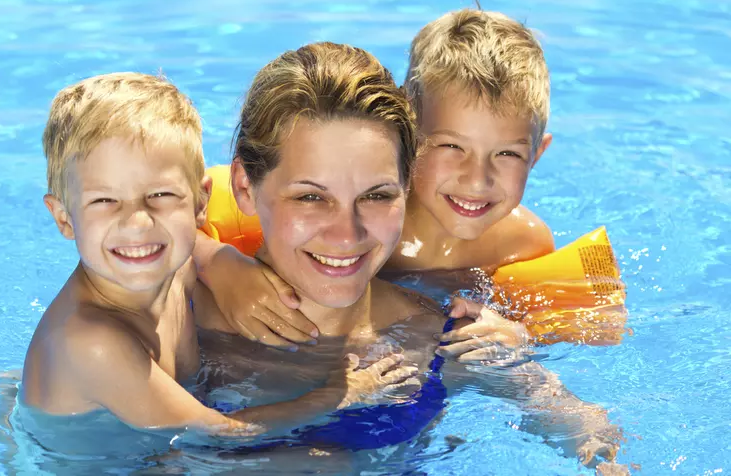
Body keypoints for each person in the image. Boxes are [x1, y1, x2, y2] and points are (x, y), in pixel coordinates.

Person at [190, 42, 626, 472]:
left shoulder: (441, 341)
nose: (347, 234)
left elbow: (581, 425)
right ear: (245, 188)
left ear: (407, 185)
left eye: (377, 195)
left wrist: (600, 452)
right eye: (310, 197)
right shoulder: (176, 322)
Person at [192, 7, 620, 350]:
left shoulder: (521, 245)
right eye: (452, 147)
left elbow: (576, 332)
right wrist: (219, 264)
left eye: (507, 154)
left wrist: (519, 337)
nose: (477, 180)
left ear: (537, 154)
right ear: (410, 135)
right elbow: (167, 219)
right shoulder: (315, 196)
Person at [20, 72, 417, 441]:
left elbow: (197, 251)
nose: (138, 223)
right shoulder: (92, 343)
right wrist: (340, 395)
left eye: (160, 196)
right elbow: (217, 432)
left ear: (200, 202)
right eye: (105, 201)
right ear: (63, 217)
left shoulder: (172, 270)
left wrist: (224, 262)